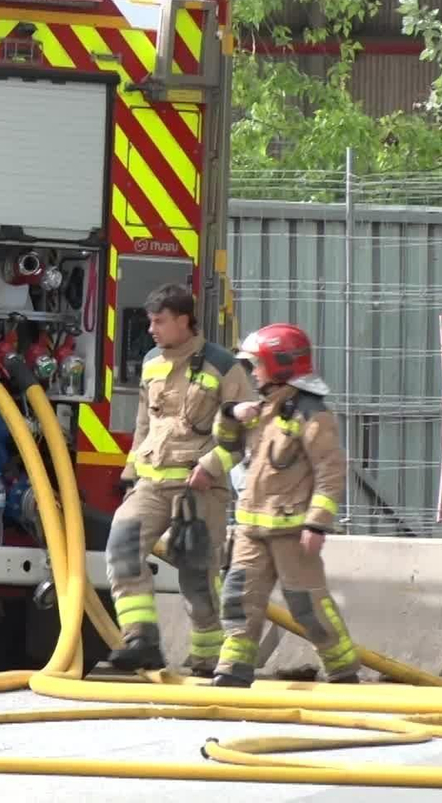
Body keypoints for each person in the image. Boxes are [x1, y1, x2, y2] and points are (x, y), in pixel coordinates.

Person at [107, 283, 257, 675]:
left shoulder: (226, 368)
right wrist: (129, 474)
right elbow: (145, 424)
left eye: (159, 321)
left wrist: (211, 466)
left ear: (184, 320)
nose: (152, 329)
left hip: (199, 490)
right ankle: (141, 640)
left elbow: (244, 436)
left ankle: (209, 658)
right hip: (151, 485)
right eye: (150, 321)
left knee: (196, 575)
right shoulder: (151, 362)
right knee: (122, 549)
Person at [210, 323, 360, 688]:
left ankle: (342, 669)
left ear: (279, 365)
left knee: (306, 606)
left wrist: (317, 524)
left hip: (291, 532)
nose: (253, 372)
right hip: (251, 529)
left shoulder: (310, 413)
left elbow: (331, 470)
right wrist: (231, 414)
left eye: (257, 365)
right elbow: (228, 447)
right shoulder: (263, 409)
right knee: (238, 598)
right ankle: (232, 670)